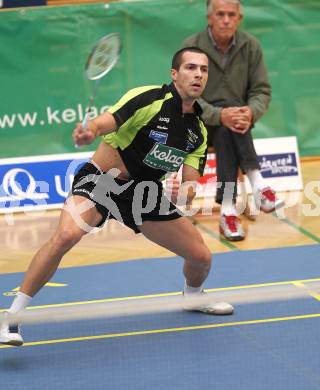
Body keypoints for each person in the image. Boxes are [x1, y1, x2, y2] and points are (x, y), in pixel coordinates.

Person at [0, 47, 234, 347]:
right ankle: (12, 318)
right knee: (66, 236)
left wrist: (183, 193)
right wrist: (90, 132)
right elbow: (108, 120)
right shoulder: (150, 99)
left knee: (201, 257)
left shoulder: (197, 132)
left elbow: (189, 189)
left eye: (203, 70)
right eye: (190, 68)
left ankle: (192, 296)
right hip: (103, 181)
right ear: (175, 74)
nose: (198, 74)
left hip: (143, 194)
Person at [182, 0, 284, 241]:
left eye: (231, 15)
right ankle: (257, 185)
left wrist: (250, 112)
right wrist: (219, 115)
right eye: (220, 14)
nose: (226, 19)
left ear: (239, 18)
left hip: (233, 125)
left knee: (230, 127)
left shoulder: (251, 46)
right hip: (197, 122)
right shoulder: (192, 47)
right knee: (227, 120)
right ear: (210, 18)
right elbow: (186, 95)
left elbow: (261, 91)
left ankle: (228, 210)